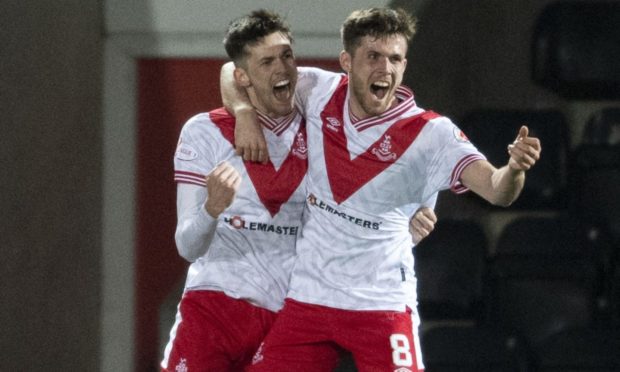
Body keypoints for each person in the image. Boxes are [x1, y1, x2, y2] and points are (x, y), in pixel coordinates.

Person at [223, 7, 541, 372]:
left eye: (395, 59)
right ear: (347, 60)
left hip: (382, 303)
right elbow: (234, 73)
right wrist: (245, 113)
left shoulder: (431, 134)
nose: (385, 69)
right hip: (310, 298)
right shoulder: (316, 90)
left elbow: (498, 191)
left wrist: (514, 169)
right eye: (373, 56)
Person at [161, 9, 437, 372]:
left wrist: (404, 231)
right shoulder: (204, 131)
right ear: (245, 77)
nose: (283, 69)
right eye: (267, 61)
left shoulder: (323, 121)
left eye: (287, 56)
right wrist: (213, 208)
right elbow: (188, 246)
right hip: (214, 306)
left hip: (291, 316)